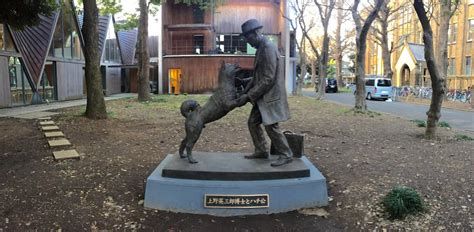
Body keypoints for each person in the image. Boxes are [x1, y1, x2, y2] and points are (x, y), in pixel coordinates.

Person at [236, 19, 293, 167]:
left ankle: (286, 154)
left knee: (271, 126)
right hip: (262, 97)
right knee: (253, 123)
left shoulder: (267, 47)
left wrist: (248, 96)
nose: (248, 43)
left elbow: (268, 79)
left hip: (270, 96)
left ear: (255, 33)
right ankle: (261, 150)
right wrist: (245, 86)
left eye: (248, 39)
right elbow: (257, 76)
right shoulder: (261, 48)